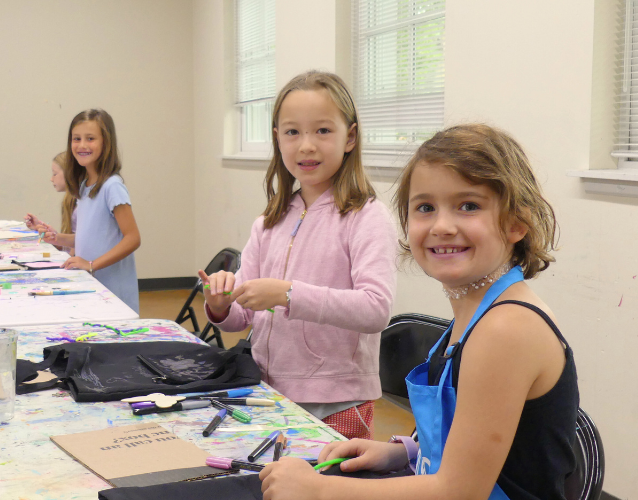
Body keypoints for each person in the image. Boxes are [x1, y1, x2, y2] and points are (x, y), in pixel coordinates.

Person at [259, 124, 579, 500]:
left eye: (469, 206)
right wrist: (403, 451)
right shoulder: (476, 310)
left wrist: (319, 489)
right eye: (425, 207)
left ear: (516, 223)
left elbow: (459, 491)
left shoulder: (506, 328)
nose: (442, 226)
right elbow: (477, 443)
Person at [200, 71, 398, 440]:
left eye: (322, 131)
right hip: (266, 390)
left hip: (337, 401)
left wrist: (288, 294)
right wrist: (221, 304)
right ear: (278, 139)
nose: (306, 146)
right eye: (292, 132)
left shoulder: (366, 217)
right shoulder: (269, 221)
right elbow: (241, 316)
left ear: (350, 137)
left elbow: (375, 309)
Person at [38, 109, 140, 313]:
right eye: (77, 139)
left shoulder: (112, 186)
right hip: (92, 286)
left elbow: (133, 238)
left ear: (106, 143)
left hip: (113, 293)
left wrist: (92, 264)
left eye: (90, 138)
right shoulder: (85, 186)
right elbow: (89, 237)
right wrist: (57, 238)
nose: (82, 145)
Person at [24, 151, 78, 255]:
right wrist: (52, 236)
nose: (51, 179)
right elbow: (67, 249)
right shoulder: (68, 201)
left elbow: (75, 251)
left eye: (55, 174)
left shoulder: (81, 205)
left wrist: (56, 238)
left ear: (69, 173)